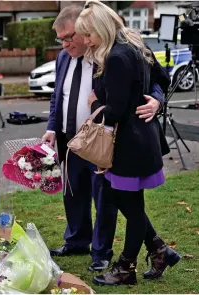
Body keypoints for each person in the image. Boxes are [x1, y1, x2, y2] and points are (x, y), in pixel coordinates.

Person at [42, 5, 166, 272]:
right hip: (69, 138)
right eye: (60, 39)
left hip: (105, 139)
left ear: (90, 29)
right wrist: (53, 127)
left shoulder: (111, 54)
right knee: (73, 192)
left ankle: (101, 253)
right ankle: (76, 241)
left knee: (106, 197)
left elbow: (154, 80)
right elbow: (58, 96)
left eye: (70, 37)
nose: (65, 44)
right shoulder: (64, 58)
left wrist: (156, 100)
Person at [74, 0, 180, 285]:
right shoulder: (134, 43)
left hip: (127, 144)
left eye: (88, 34)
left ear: (101, 28)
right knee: (124, 201)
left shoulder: (118, 55)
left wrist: (97, 103)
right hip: (138, 140)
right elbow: (162, 77)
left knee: (131, 207)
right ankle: (160, 250)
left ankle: (126, 268)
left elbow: (117, 111)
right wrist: (155, 96)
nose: (85, 40)